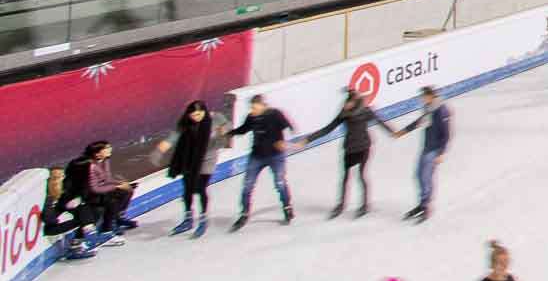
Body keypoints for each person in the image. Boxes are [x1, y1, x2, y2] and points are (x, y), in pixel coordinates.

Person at [305, 88, 383, 219]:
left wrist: (395, 133)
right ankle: (341, 205)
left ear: (354, 102)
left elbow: (380, 122)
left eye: (348, 103)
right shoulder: (344, 114)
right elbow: (327, 129)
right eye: (345, 103)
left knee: (361, 175)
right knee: (345, 177)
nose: (345, 106)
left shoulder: (365, 111)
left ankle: (364, 205)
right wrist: (308, 139)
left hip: (363, 147)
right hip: (350, 148)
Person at [155, 99, 223, 239]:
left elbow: (227, 126)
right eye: (193, 115)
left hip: (207, 159)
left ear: (204, 111)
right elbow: (173, 136)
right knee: (187, 189)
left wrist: (224, 131)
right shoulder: (185, 123)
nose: (196, 118)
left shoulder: (215, 118)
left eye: (199, 114)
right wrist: (159, 150)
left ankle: (203, 218)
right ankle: (188, 218)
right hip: (190, 159)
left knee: (200, 187)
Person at [387, 86, 452, 224]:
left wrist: (441, 153)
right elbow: (420, 122)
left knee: (425, 177)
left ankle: (426, 205)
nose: (421, 100)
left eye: (423, 97)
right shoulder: (429, 108)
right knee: (419, 176)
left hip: (434, 150)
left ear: (430, 96)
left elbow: (446, 134)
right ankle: (422, 204)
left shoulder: (441, 110)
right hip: (426, 148)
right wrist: (402, 132)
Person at [229, 93, 295, 228]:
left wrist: (284, 140)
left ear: (263, 106)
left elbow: (288, 125)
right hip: (257, 156)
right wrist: (229, 132)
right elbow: (243, 130)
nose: (253, 111)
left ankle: (287, 207)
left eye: (255, 108)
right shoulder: (251, 118)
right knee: (247, 185)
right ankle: (244, 213)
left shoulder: (275, 114)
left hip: (275, 156)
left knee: (280, 182)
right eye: (252, 108)